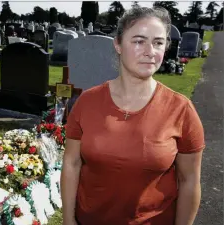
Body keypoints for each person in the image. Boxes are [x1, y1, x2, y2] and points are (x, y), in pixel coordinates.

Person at [61, 6, 205, 225]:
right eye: (139, 41)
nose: (150, 51)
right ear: (118, 44)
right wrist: (68, 220)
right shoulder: (87, 102)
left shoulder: (181, 110)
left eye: (158, 42)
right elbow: (71, 163)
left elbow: (190, 180)